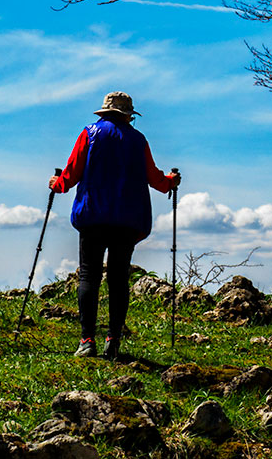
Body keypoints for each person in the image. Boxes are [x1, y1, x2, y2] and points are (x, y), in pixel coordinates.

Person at [48, 91, 180, 359]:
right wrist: (171, 181)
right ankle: (113, 340)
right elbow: (154, 178)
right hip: (128, 220)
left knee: (89, 276)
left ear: (105, 112)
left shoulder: (90, 133)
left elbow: (72, 172)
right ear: (129, 115)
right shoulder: (138, 140)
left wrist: (57, 185)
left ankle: (87, 340)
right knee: (119, 279)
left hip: (93, 216)